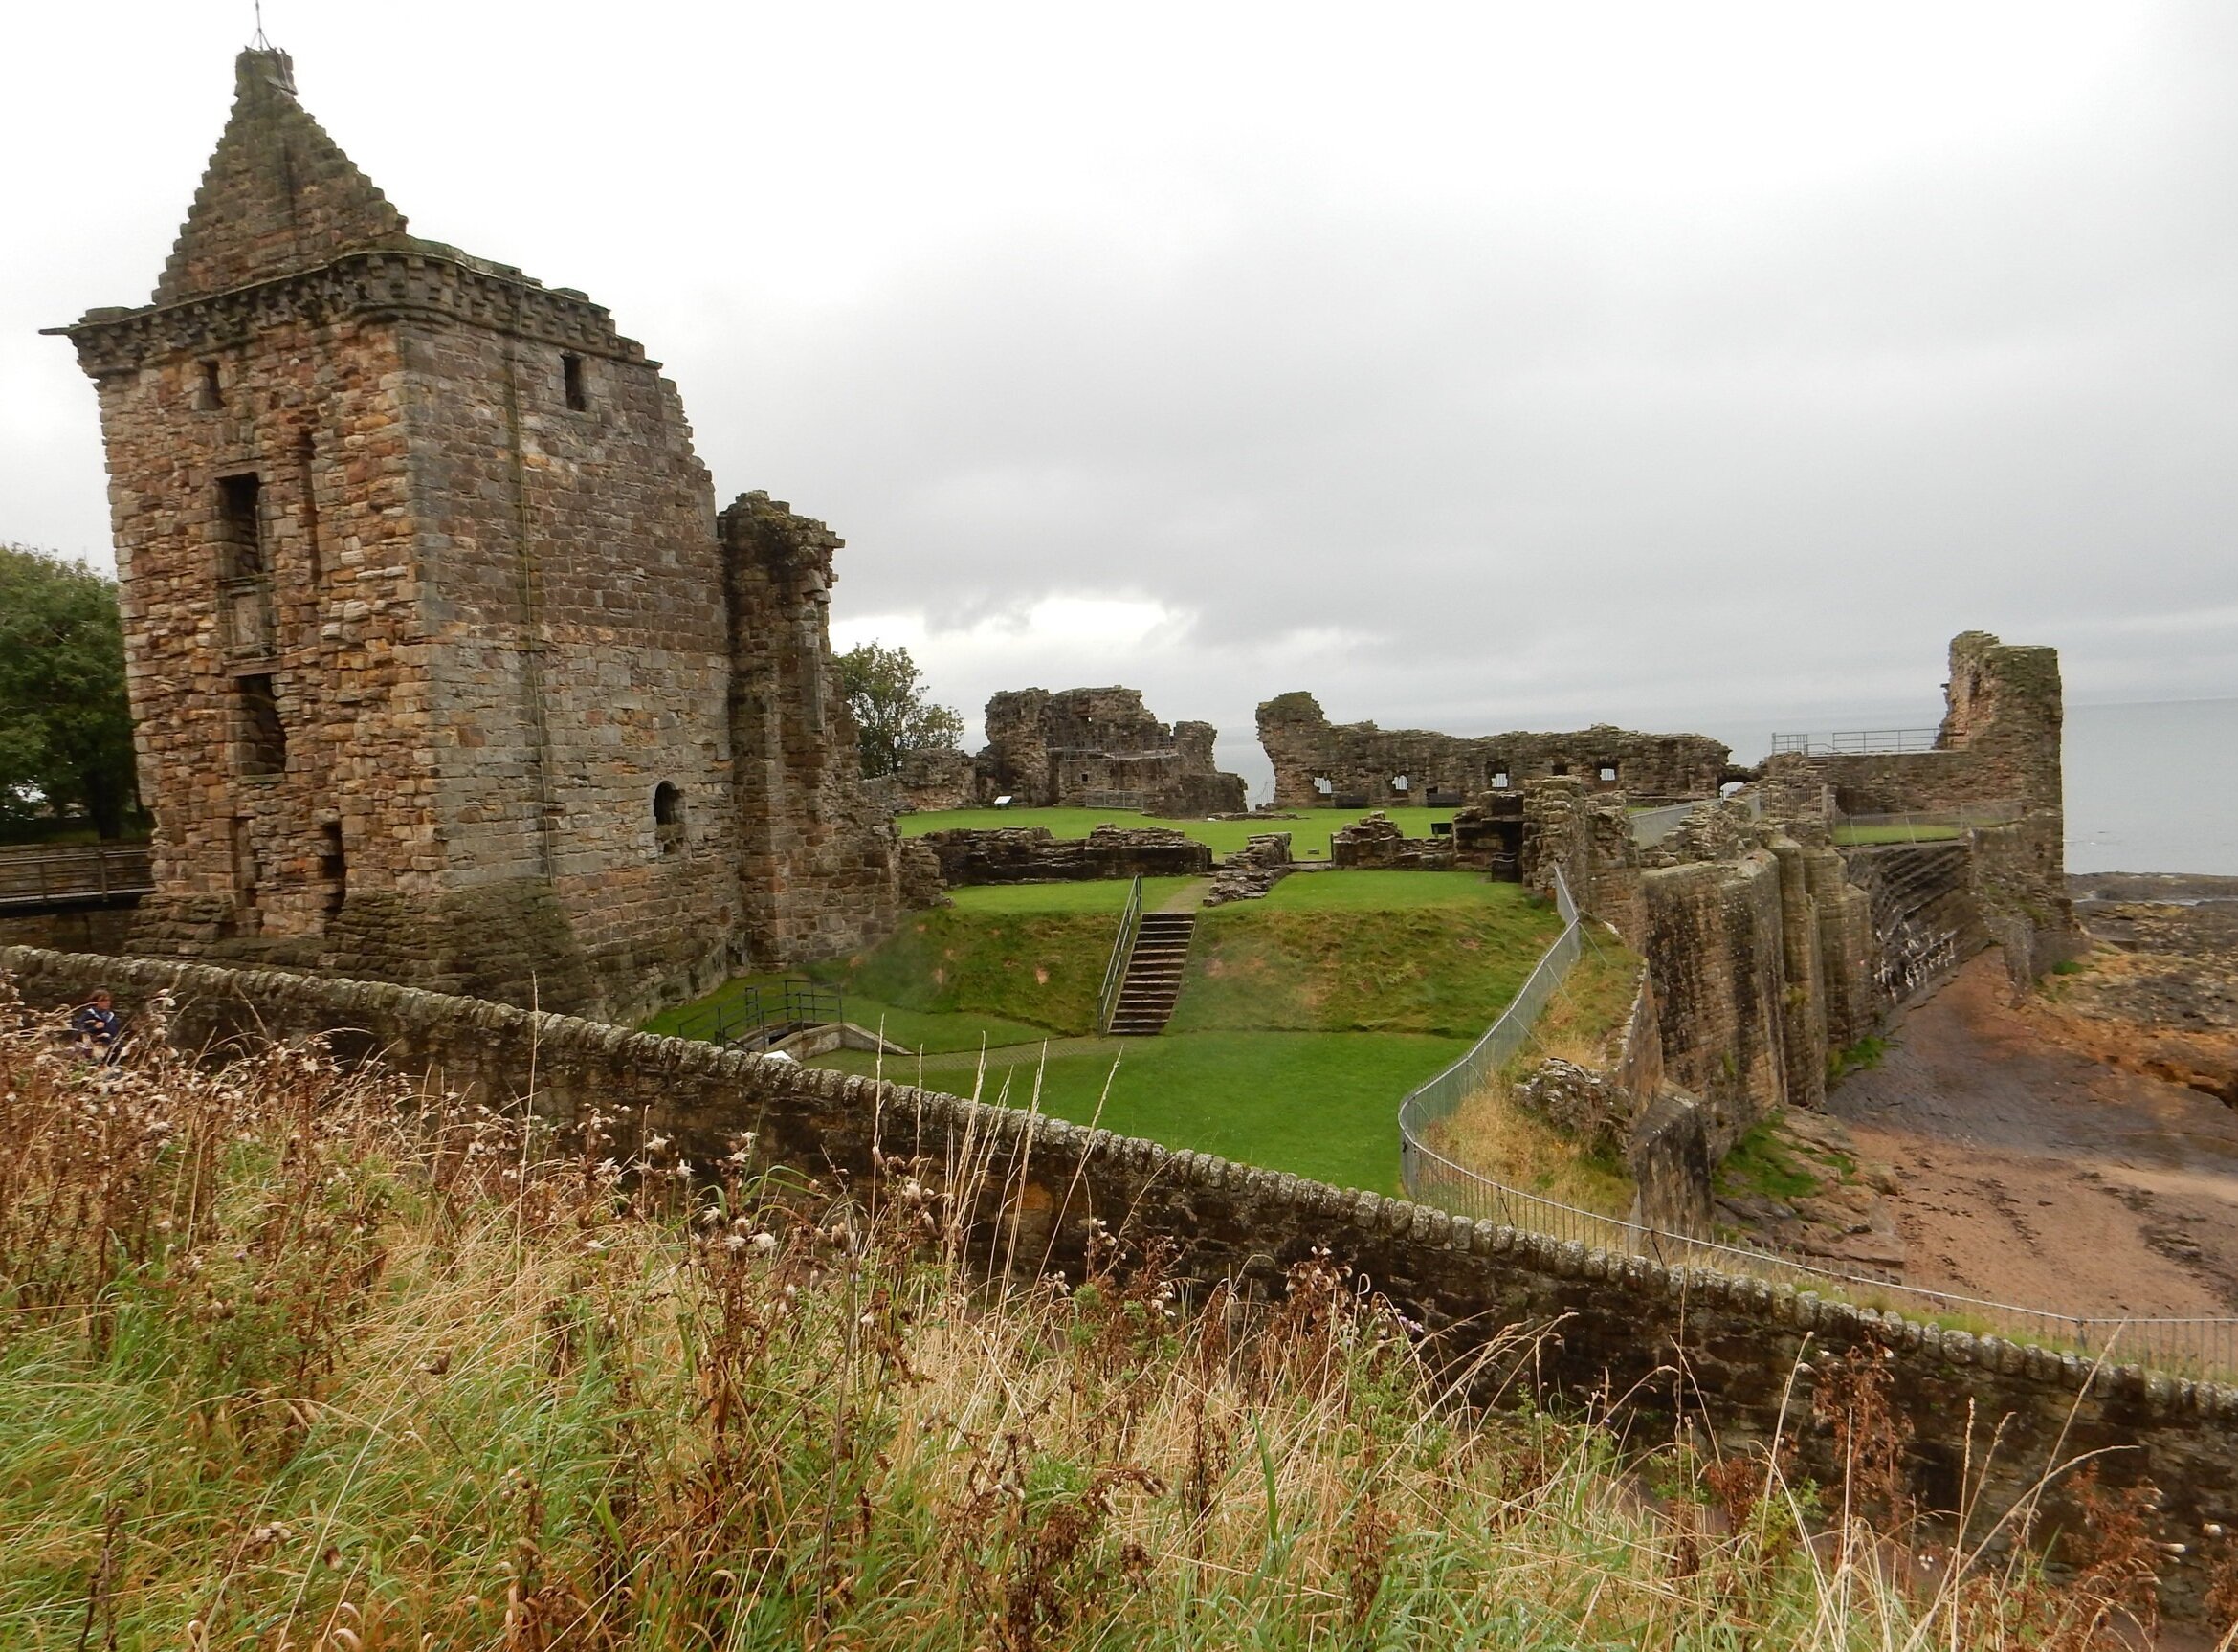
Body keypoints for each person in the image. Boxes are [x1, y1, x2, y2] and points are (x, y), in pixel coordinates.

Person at [71, 989, 122, 1059]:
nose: (107, 1003)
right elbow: (78, 1032)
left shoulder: (111, 1016)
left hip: (109, 1049)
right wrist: (94, 1028)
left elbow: (115, 1033)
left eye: (108, 1000)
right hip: (91, 1049)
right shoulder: (88, 1015)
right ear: (95, 1002)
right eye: (103, 1000)